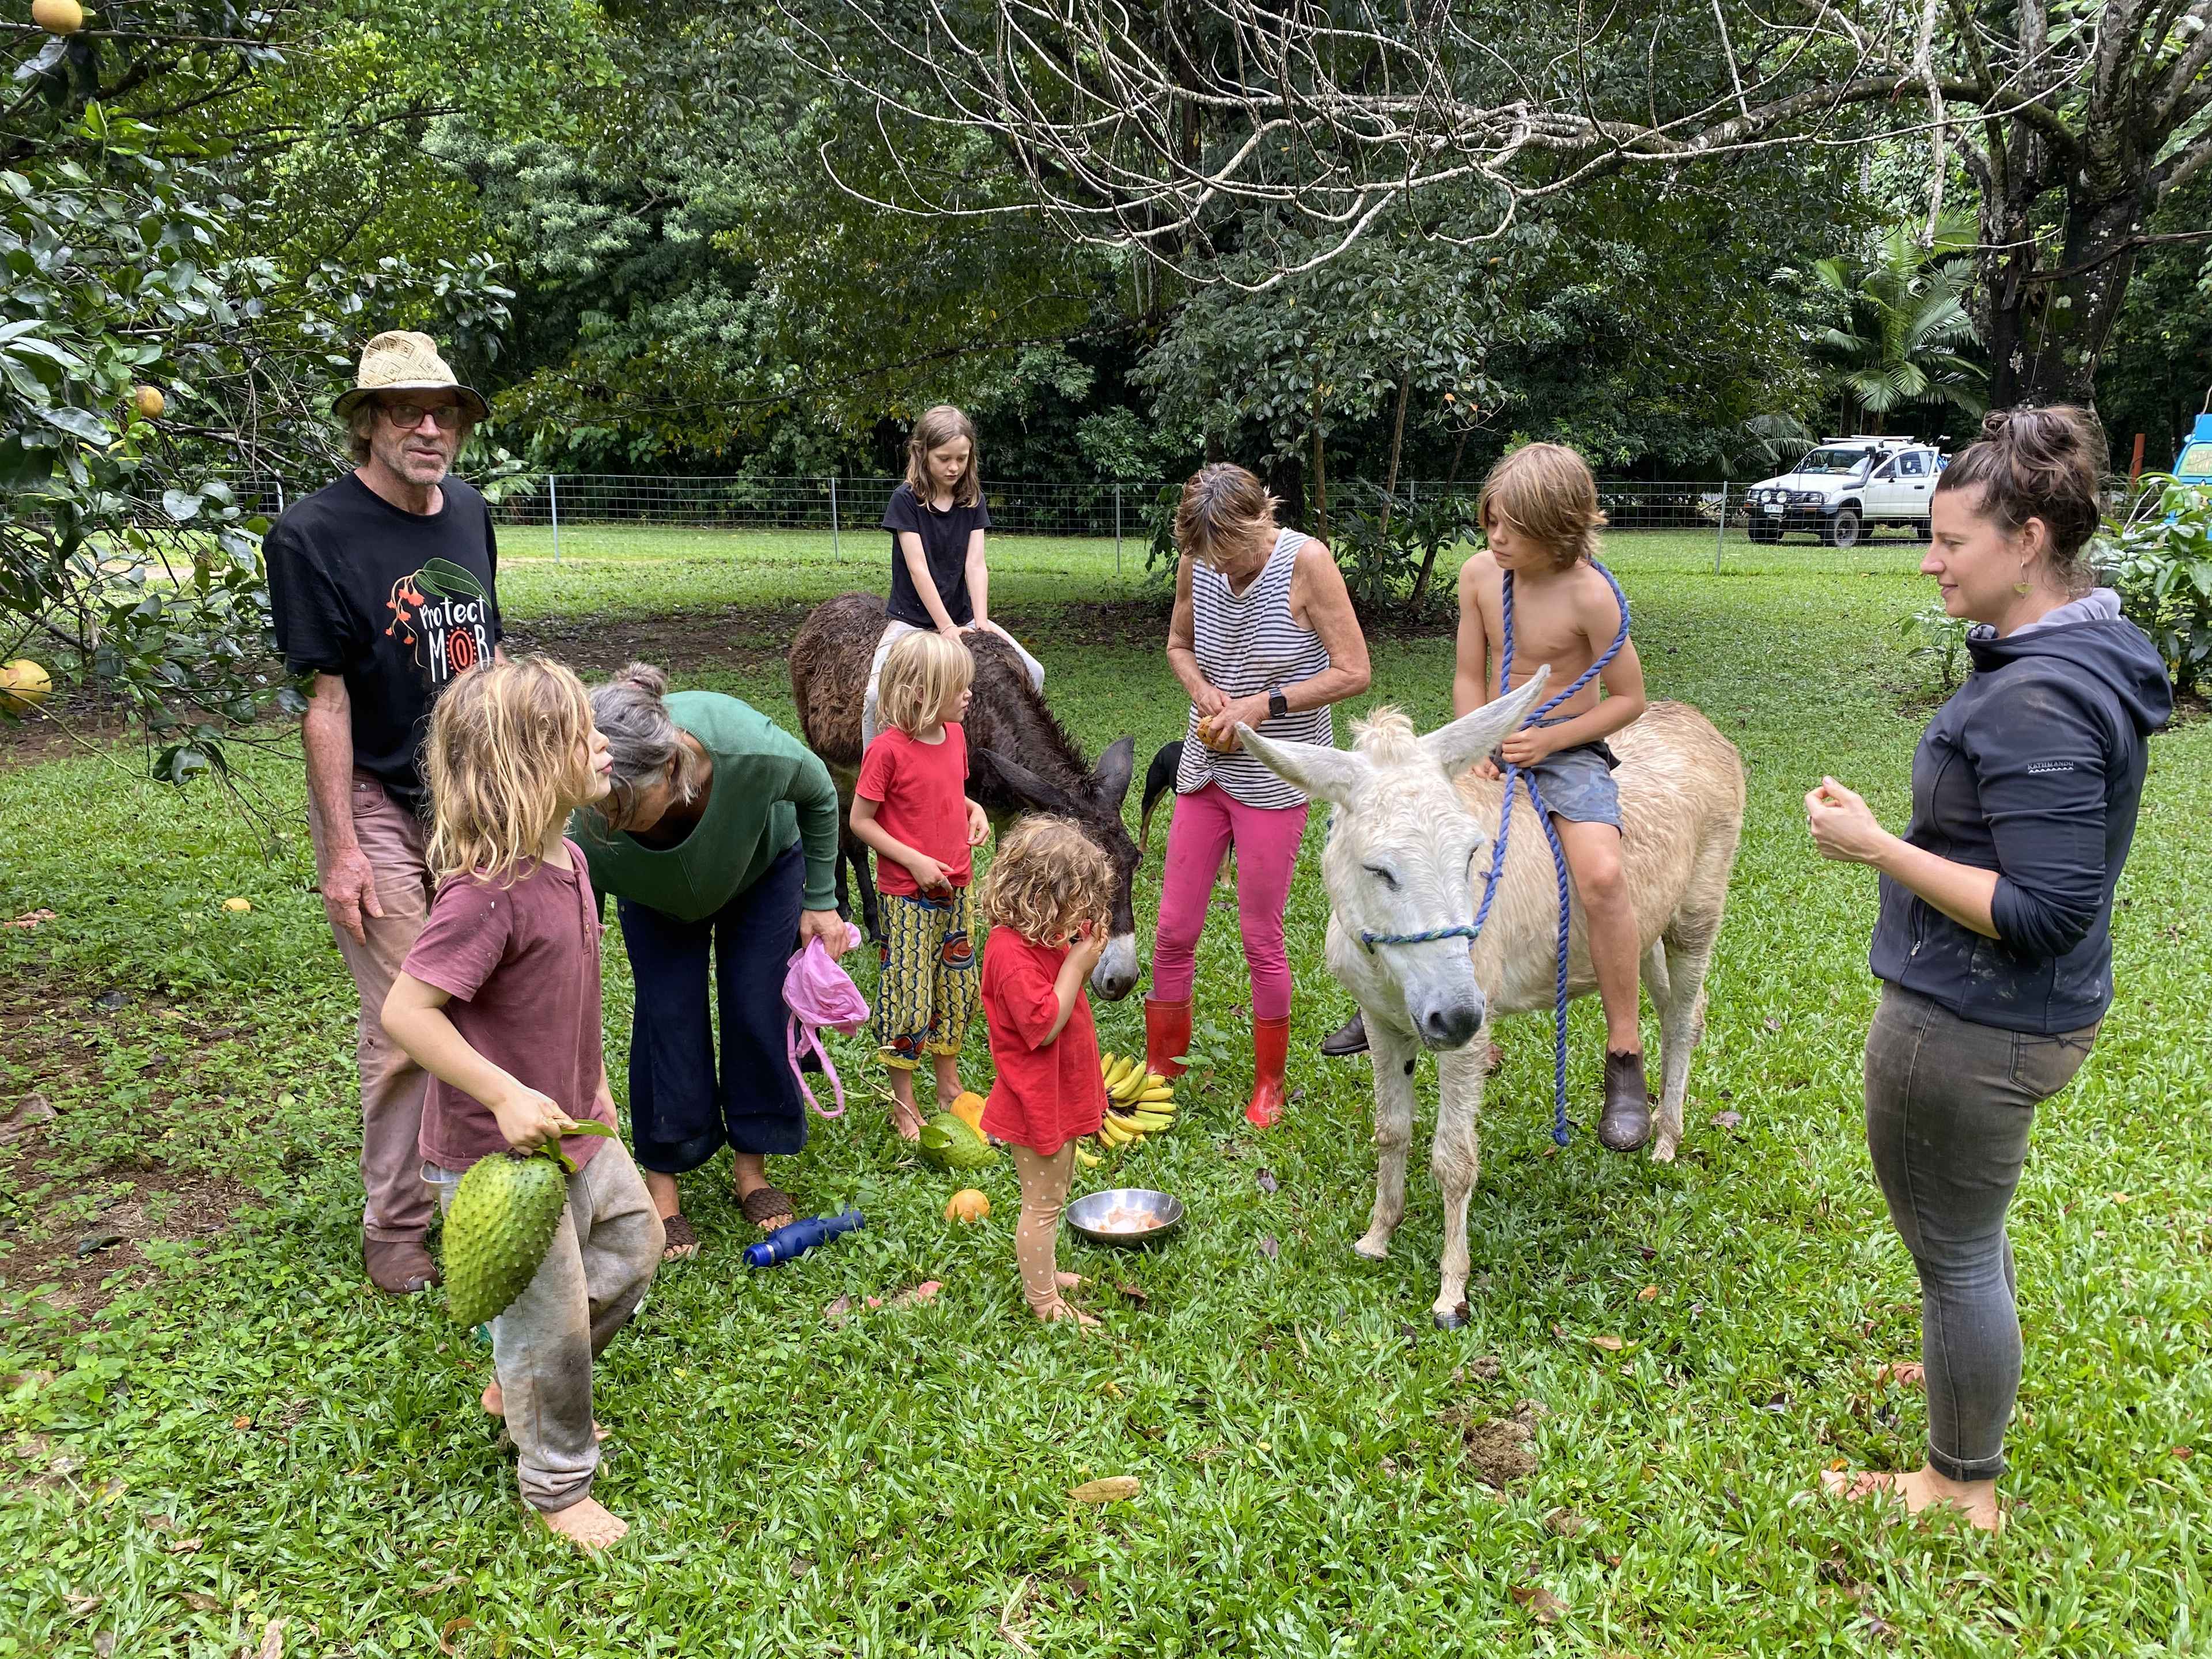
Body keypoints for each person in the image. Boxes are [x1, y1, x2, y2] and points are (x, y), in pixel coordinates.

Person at [1808, 406, 2170, 1533]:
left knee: (1958, 1253)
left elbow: (2047, 910)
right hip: (2020, 1020)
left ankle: (1958, 1486)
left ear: (2027, 543)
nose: (1929, 559)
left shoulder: (2039, 696)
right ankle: (1965, 1361)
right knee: (1963, 1241)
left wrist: (1877, 848)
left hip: (1973, 1025)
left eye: (1951, 541)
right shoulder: (2084, 645)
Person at [380, 657, 662, 1554]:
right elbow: (406, 1013)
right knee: (549, 1325)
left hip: (575, 1126)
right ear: (533, 762)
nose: (603, 743)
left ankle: (522, 1381)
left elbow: (565, 999)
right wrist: (501, 1095)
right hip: (498, 1155)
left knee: (635, 1244)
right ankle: (556, 1486)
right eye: (584, 733)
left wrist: (599, 1089)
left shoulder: (571, 860)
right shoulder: (484, 892)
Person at [265, 330, 502, 1296]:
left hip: (472, 798)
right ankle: (397, 1227)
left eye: (442, 410)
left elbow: (485, 666)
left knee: (484, 994)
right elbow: (325, 703)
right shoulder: (311, 536)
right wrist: (343, 851)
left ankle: (479, 1185)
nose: (428, 427)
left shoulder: (474, 516)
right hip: (375, 795)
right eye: (406, 410)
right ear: (367, 422)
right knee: (409, 1011)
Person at [573, 664, 854, 1256]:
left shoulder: (743, 745)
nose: (610, 818)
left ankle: (751, 1172)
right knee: (666, 1019)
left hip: (760, 871)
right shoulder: (587, 787)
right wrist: (583, 924)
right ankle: (664, 1190)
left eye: (624, 804)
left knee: (756, 1006)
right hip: (650, 897)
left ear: (672, 765)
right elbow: (573, 857)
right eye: (600, 802)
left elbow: (820, 794)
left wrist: (822, 901)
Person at [1146, 464, 1371, 1128]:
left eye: (1233, 556)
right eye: (1208, 559)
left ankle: (1269, 1083)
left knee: (1260, 937)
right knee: (1173, 929)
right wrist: (1203, 694)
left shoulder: (1308, 563)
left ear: (1261, 521)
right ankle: (1164, 1064)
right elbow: (1179, 646)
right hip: (1206, 767)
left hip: (1276, 775)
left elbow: (1354, 671)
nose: (1223, 572)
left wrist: (1261, 707)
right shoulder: (1201, 563)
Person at [849, 630, 993, 1139]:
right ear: (921, 694)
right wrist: (914, 861)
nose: (968, 695)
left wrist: (973, 811)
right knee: (909, 993)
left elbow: (950, 792)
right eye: (959, 687)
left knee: (957, 988)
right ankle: (903, 1098)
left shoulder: (954, 736)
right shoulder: (887, 752)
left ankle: (948, 1086)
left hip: (958, 885)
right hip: (909, 895)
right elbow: (861, 822)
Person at [977, 816, 1116, 1326]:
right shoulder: (1011, 955)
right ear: (1043, 898)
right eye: (1078, 902)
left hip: (1056, 1089)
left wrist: (1080, 943)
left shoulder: (1039, 937)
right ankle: (1043, 1302)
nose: (1083, 916)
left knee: (1055, 1193)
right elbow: (1044, 1026)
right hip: (1035, 1095)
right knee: (1043, 1203)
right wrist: (1077, 967)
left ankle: (1045, 1269)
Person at [861, 404, 1044, 748]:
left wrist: (983, 620)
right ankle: (874, 773)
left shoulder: (973, 499)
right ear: (922, 453)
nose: (954, 467)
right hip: (912, 621)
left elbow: (976, 564)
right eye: (944, 458)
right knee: (874, 698)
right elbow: (918, 569)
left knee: (1034, 673)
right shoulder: (905, 501)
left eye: (962, 458)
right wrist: (945, 628)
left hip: (965, 617)